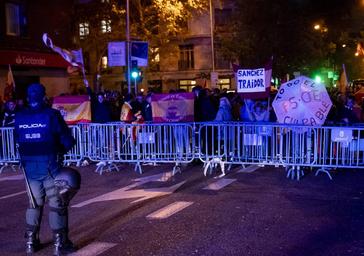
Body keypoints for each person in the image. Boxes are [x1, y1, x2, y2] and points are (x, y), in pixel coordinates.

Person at [14, 83, 77, 255]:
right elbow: (67, 140)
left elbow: (17, 140)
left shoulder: (19, 116)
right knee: (57, 204)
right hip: (50, 165)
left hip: (29, 168)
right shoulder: (51, 115)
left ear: (28, 97)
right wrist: (61, 150)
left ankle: (30, 242)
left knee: (34, 204)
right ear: (44, 96)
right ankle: (60, 244)